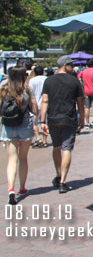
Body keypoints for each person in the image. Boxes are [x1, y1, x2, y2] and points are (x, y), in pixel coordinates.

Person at [39, 55, 85, 194]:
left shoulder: (48, 81)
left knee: (56, 147)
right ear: (64, 65)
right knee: (67, 149)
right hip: (69, 119)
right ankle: (63, 182)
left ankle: (58, 175)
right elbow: (80, 102)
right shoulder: (74, 81)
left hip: (53, 118)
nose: (73, 67)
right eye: (71, 64)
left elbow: (45, 101)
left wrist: (42, 121)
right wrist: (82, 119)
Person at [0, 66, 38, 204]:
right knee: (23, 158)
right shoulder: (27, 89)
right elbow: (34, 109)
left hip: (8, 126)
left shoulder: (3, 89)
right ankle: (22, 188)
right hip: (25, 125)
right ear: (23, 76)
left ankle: (11, 189)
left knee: (12, 159)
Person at [77, 59, 93, 128]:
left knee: (87, 107)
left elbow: (78, 79)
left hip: (86, 92)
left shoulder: (83, 72)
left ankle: (87, 123)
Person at [27, 66, 48, 148]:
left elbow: (30, 93)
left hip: (34, 103)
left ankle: (38, 138)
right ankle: (45, 141)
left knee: (34, 123)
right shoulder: (47, 79)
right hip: (45, 103)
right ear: (43, 71)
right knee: (44, 122)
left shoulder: (32, 81)